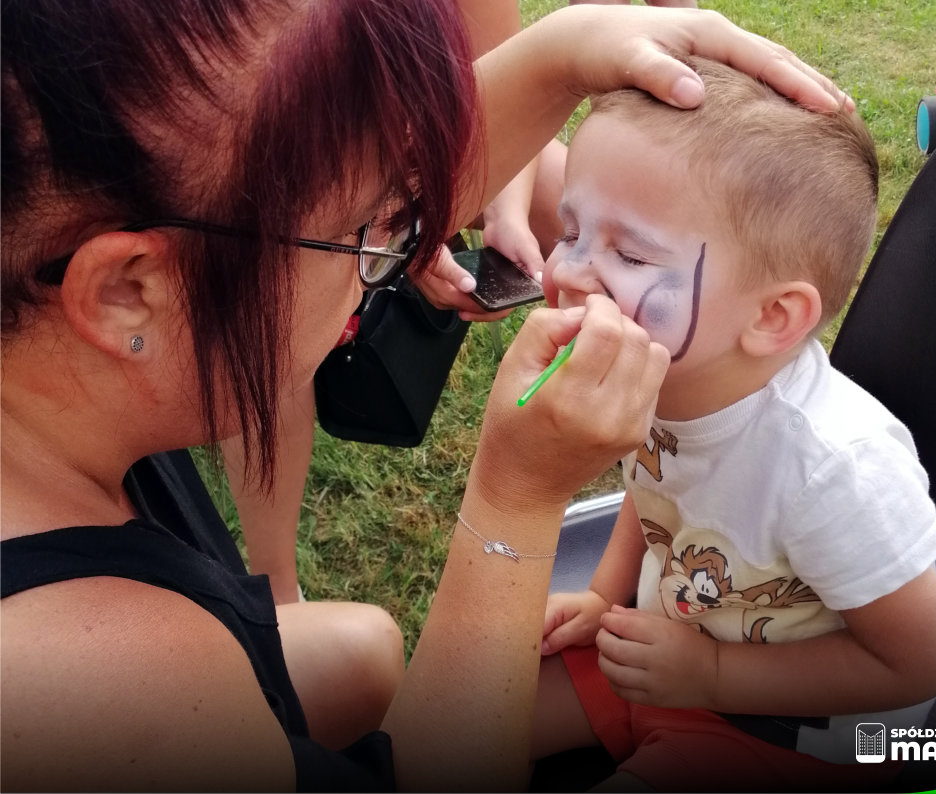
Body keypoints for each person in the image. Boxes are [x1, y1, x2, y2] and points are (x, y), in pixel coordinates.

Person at [0, 1, 849, 790]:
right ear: (124, 292)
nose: (394, 255)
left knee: (366, 650)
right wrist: (513, 504)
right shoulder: (95, 691)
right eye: (365, 230)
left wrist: (560, 56)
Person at [531, 57, 936, 792]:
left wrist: (715, 675)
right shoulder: (660, 375)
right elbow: (656, 486)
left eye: (629, 253)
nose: (568, 272)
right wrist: (604, 598)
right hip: (663, 648)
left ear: (771, 317)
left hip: (789, 729)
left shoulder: (832, 470)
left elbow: (919, 663)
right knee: (460, 724)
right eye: (570, 231)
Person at [225, 0, 699, 608]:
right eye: (575, 246)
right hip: (293, 160)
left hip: (433, 137)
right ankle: (275, 583)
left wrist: (503, 208)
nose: (568, 275)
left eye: (628, 259)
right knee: (279, 306)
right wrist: (401, 236)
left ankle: (687, 432)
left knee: (598, 198)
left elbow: (497, 90)